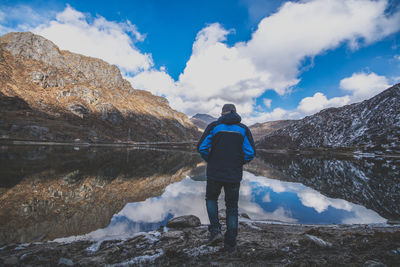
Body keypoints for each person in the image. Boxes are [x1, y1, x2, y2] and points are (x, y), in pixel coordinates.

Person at [197, 103, 256, 252]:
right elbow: (250, 153)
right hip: (234, 174)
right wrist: (239, 162)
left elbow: (202, 147)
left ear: (222, 113)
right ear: (235, 112)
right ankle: (230, 243)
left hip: (214, 172)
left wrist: (210, 159)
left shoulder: (214, 126)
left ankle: (215, 231)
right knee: (232, 207)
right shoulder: (243, 129)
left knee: (211, 199)